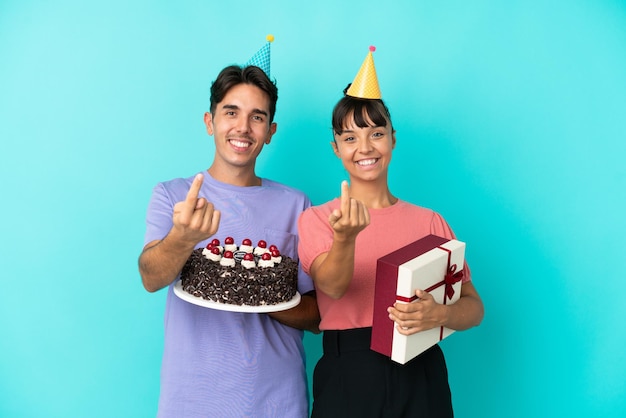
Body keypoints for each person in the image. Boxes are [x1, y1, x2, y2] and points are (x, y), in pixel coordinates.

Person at [297, 47, 484, 417]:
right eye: (350, 138)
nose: (364, 147)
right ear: (336, 149)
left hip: (421, 369)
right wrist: (345, 239)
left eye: (376, 133)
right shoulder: (319, 219)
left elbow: (473, 307)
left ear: (393, 140)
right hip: (347, 374)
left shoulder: (430, 221)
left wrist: (440, 316)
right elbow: (331, 288)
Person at [139, 51, 320, 416]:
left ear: (270, 132)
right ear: (210, 121)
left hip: (276, 400)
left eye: (258, 117)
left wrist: (262, 291)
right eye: (231, 112)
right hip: (191, 400)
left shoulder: (296, 204)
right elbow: (151, 277)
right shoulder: (173, 195)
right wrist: (184, 236)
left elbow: (318, 317)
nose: (242, 128)